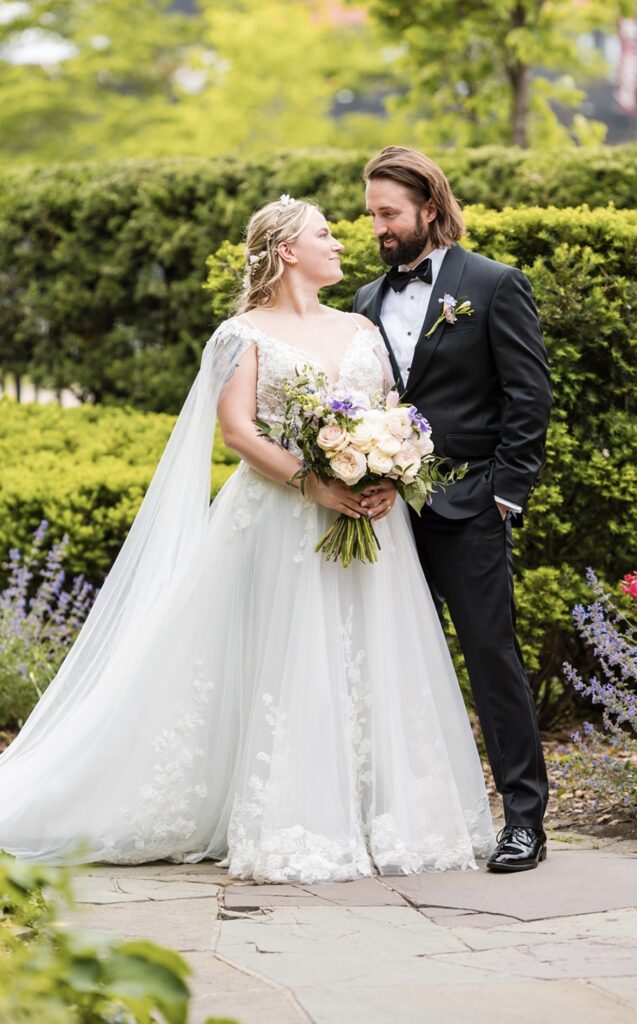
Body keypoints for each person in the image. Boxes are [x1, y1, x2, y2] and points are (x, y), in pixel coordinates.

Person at [0, 196, 494, 883]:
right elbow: (238, 431)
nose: (340, 244)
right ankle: (291, 815)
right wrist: (313, 484)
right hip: (279, 519)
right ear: (288, 250)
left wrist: (388, 470)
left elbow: (388, 415)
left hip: (368, 522)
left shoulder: (360, 326)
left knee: (369, 652)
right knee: (281, 657)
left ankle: (378, 814)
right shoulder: (241, 334)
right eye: (325, 234)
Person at [354, 147, 553, 872]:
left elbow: (528, 398)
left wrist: (504, 494)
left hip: (470, 507)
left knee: (490, 659)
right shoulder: (365, 302)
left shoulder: (494, 285)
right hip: (384, 514)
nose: (376, 226)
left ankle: (524, 821)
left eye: (388, 214)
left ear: (428, 211)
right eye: (371, 213)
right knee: (393, 664)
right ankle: (409, 820)